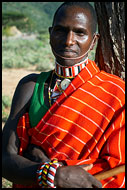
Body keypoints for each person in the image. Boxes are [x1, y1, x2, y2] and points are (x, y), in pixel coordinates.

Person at [2, 2, 125, 188]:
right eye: (60, 30)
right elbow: (5, 159)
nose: (68, 41)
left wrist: (54, 168)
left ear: (94, 40)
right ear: (50, 33)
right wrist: (51, 174)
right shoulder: (30, 86)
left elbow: (118, 166)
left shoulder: (116, 93)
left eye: (79, 32)